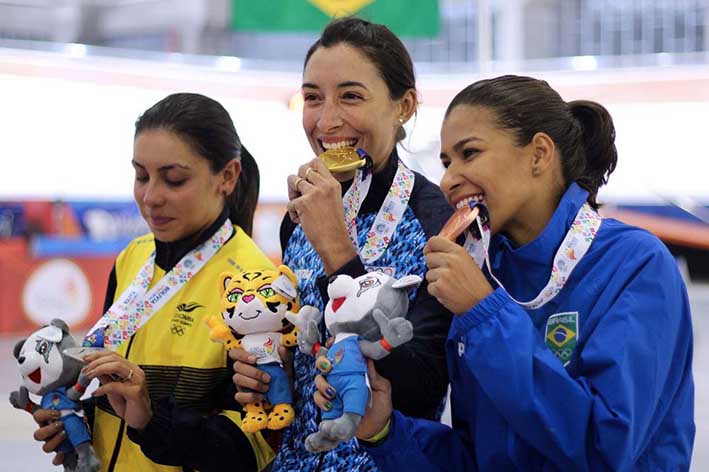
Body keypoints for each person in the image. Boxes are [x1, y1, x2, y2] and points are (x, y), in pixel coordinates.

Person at [355, 75, 696, 471]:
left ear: (538, 153)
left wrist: (485, 313)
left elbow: (605, 449)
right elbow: (478, 458)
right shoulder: (486, 272)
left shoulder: (634, 264)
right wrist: (386, 433)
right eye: (447, 162)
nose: (448, 180)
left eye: (470, 153)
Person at [230, 17, 454, 471]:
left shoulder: (438, 222)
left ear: (404, 106)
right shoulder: (300, 215)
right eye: (313, 97)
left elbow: (424, 385)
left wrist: (337, 251)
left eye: (351, 96)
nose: (326, 120)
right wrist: (273, 371)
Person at [31, 93, 277, 472]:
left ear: (227, 177)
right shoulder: (134, 257)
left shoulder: (255, 285)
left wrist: (151, 422)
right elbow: (108, 390)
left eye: (174, 180)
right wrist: (74, 423)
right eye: (141, 175)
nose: (149, 197)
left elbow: (253, 450)